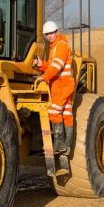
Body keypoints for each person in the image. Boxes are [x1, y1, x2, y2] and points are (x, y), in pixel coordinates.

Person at [34, 21, 75, 154]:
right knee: (67, 113)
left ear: (57, 32)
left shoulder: (61, 45)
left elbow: (56, 67)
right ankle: (67, 147)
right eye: (47, 34)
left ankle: (59, 144)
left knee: (53, 111)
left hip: (61, 84)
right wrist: (42, 64)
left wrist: (43, 77)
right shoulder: (55, 46)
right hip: (63, 83)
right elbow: (53, 65)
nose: (49, 36)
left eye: (51, 33)